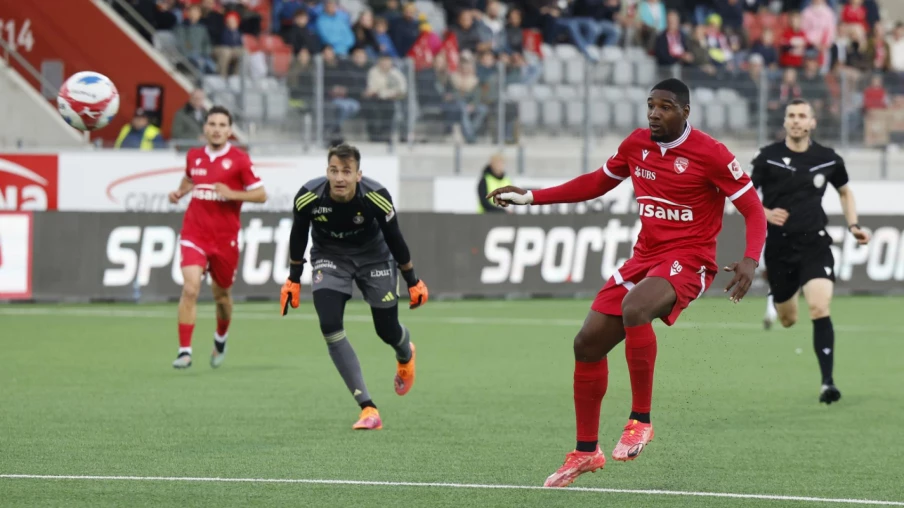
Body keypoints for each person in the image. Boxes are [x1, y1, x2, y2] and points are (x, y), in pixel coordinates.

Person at [487, 78, 767, 488]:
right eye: (651, 105)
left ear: (685, 112)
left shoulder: (712, 154)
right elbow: (595, 183)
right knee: (586, 344)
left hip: (690, 260)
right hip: (645, 256)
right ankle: (586, 451)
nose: (654, 113)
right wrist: (532, 197)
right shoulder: (636, 144)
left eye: (665, 106)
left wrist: (750, 259)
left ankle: (641, 420)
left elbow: (754, 209)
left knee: (635, 307)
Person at [280, 143, 429, 431]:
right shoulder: (308, 196)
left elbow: (395, 237)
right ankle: (368, 408)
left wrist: (412, 280)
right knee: (330, 326)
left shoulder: (376, 196)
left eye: (346, 172)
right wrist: (293, 278)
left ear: (358, 175)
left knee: (386, 330)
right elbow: (298, 234)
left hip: (375, 258)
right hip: (330, 258)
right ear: (327, 172)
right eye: (334, 171)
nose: (339, 178)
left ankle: (405, 352)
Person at [752, 98, 870, 405]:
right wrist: (765, 213)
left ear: (812, 122)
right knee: (788, 319)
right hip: (779, 248)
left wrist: (854, 225)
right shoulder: (768, 157)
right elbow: (745, 195)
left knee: (819, 307)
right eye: (791, 115)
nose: (796, 120)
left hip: (815, 244)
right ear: (785, 122)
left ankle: (827, 383)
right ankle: (777, 297)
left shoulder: (827, 158)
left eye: (802, 115)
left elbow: (845, 191)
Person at [167, 106, 268, 369]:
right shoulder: (194, 156)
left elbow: (261, 194)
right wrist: (179, 192)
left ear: (229, 130)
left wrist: (233, 194)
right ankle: (184, 351)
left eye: (222, 125)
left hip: (225, 240)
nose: (216, 129)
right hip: (194, 233)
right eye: (212, 124)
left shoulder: (239, 159)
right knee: (190, 288)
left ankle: (221, 337)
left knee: (222, 297)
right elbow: (190, 179)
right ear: (205, 127)